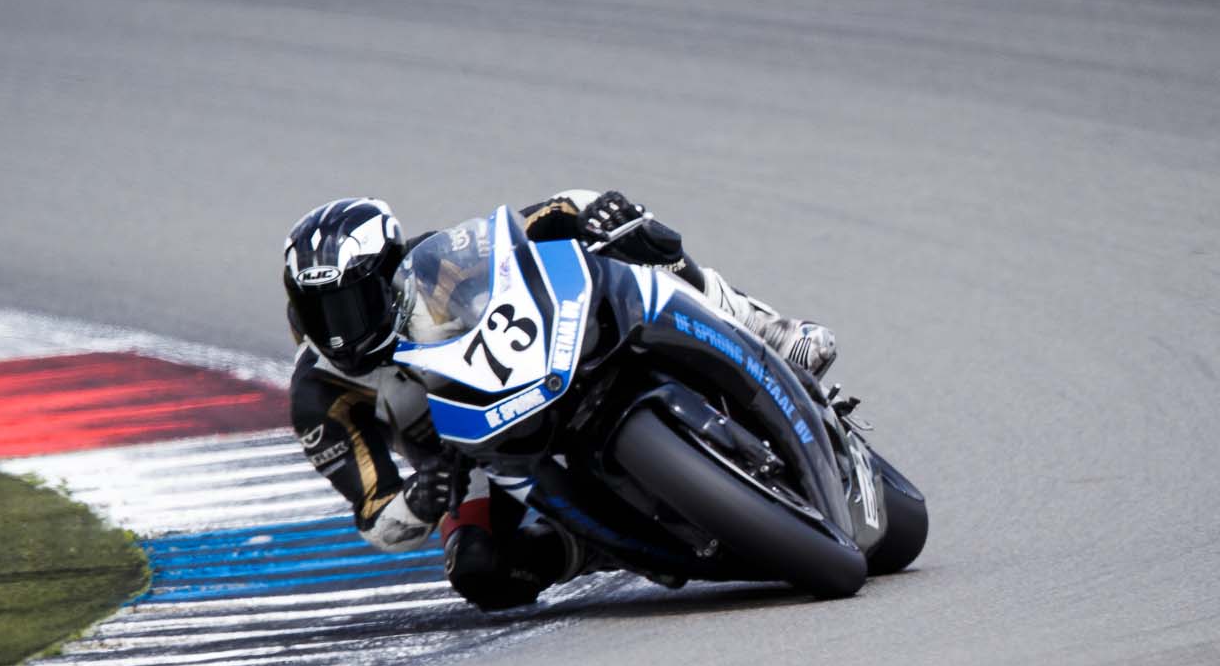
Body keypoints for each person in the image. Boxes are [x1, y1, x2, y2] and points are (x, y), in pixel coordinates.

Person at [283, 190, 837, 609]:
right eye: (319, 312)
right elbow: (377, 517)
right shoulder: (319, 395)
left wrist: (594, 219)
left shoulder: (438, 265)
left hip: (537, 371)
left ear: (385, 277)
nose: (339, 333)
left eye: (350, 305)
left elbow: (539, 221)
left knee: (633, 236)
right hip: (470, 459)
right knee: (480, 571)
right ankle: (591, 547)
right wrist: (421, 500)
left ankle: (767, 328)